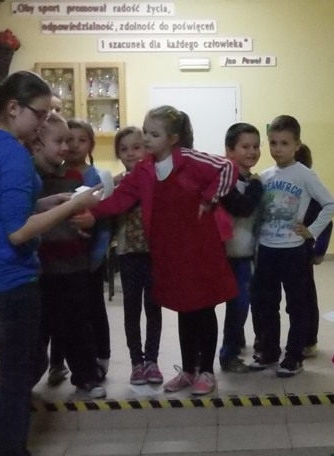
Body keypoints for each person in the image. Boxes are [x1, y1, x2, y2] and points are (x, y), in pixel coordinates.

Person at [0, 71, 102, 456]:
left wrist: (46, 202)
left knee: (27, 363)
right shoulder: (15, 155)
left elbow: (0, 206)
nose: (44, 122)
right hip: (5, 274)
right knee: (19, 374)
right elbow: (17, 231)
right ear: (13, 107)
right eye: (41, 113)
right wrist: (73, 206)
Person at [72, 105, 238, 396]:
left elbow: (228, 168)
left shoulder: (189, 159)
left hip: (200, 249)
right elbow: (121, 198)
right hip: (170, 250)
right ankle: (189, 370)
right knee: (185, 309)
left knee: (203, 308)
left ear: (173, 138)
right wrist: (94, 213)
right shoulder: (144, 169)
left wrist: (209, 198)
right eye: (145, 131)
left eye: (154, 134)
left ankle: (207, 372)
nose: (146, 139)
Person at [249, 115, 334, 377]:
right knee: (267, 304)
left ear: (297, 145)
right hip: (267, 250)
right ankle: (269, 351)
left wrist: (312, 232)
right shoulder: (265, 176)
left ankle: (294, 356)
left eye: (284, 143)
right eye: (273, 143)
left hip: (293, 251)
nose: (278, 149)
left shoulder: (305, 175)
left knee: (297, 305)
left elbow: (330, 204)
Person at [34, 114, 107, 399]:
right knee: (38, 327)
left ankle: (86, 376)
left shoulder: (74, 177)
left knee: (78, 324)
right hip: (39, 267)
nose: (66, 147)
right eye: (59, 141)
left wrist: (86, 222)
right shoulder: (29, 178)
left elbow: (85, 216)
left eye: (68, 140)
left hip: (72, 264)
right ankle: (24, 380)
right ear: (37, 143)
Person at [113, 126, 163, 385]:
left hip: (154, 254)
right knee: (131, 310)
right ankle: (136, 362)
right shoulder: (117, 183)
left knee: (154, 308)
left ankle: (152, 361)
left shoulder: (157, 179)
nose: (131, 153)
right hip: (128, 254)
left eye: (136, 147)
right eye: (124, 149)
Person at [65, 118, 113, 379]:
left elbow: (106, 223)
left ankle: (101, 357)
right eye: (68, 140)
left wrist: (97, 256)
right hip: (62, 259)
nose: (74, 145)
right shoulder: (54, 175)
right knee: (68, 312)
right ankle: (61, 362)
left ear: (91, 145)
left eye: (81, 140)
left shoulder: (99, 177)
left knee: (94, 308)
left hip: (90, 257)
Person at [218, 123, 263, 374]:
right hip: (223, 255)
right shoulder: (226, 180)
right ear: (229, 150)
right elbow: (243, 208)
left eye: (256, 146)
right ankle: (227, 355)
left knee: (241, 305)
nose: (252, 151)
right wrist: (256, 186)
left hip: (244, 255)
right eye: (245, 146)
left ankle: (234, 346)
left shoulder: (250, 179)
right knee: (234, 306)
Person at [294, 144, 334, 358]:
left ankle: (309, 340)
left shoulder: (312, 187)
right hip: (279, 249)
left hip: (303, 251)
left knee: (305, 296)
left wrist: (319, 251)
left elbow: (327, 222)